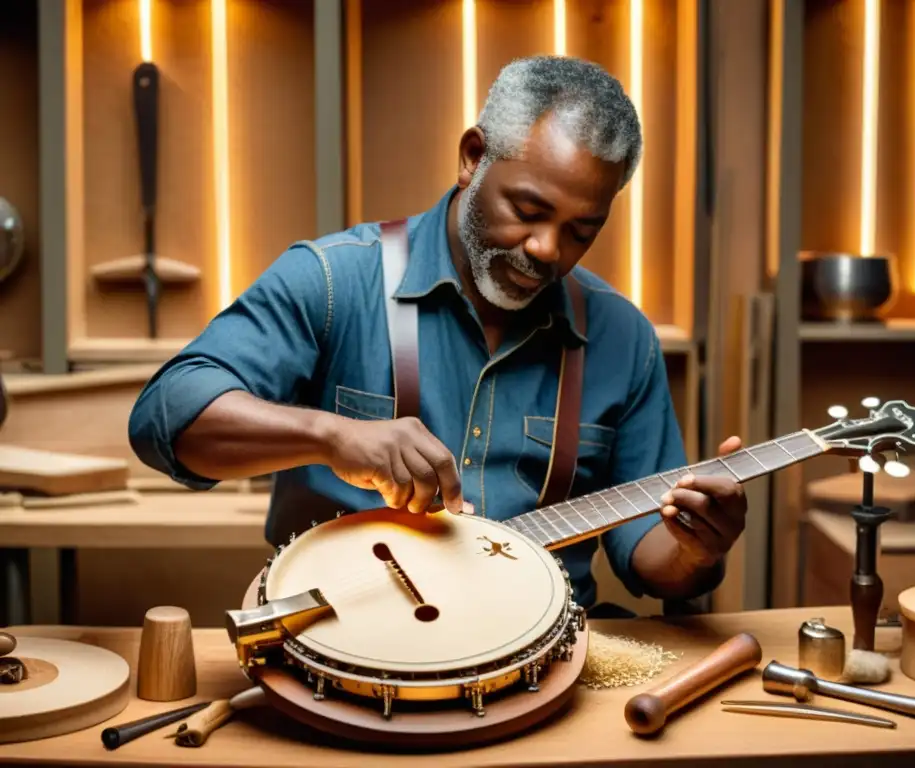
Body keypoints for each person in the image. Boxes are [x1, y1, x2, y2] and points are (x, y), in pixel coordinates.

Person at [127, 55, 747, 612]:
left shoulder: (623, 338)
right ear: (473, 158)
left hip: (544, 671)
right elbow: (166, 417)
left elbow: (647, 555)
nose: (547, 248)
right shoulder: (333, 280)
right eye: (528, 211)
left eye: (581, 231)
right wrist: (333, 436)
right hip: (343, 648)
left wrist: (696, 550)